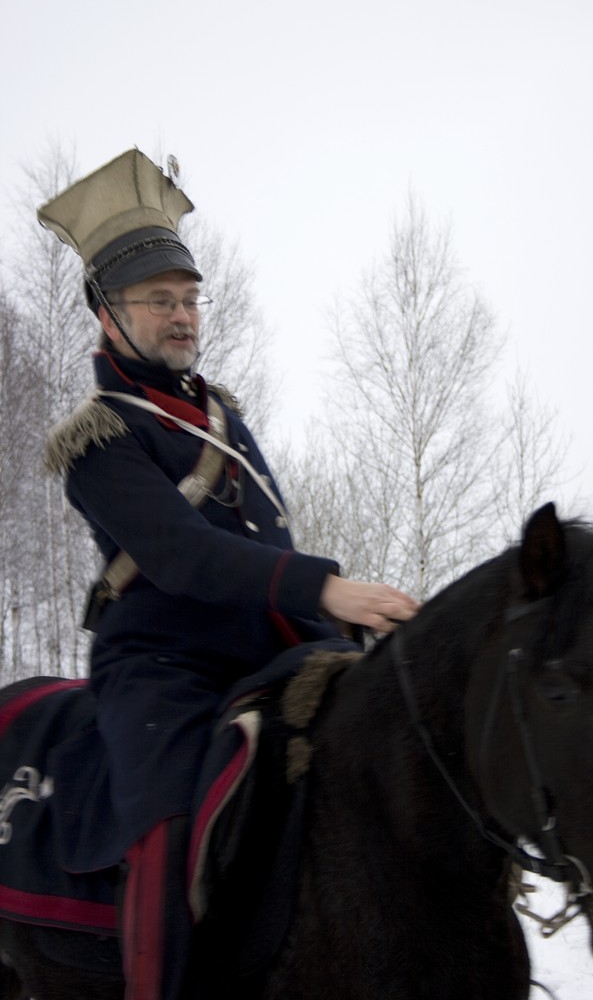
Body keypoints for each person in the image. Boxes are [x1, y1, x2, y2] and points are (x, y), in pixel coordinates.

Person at [39, 149, 419, 1000]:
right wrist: (326, 587)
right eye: (159, 300)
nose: (182, 316)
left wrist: (351, 624)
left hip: (271, 653)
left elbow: (263, 546)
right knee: (170, 822)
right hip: (164, 668)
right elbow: (183, 553)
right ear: (107, 312)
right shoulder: (99, 440)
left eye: (188, 298)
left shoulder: (223, 420)